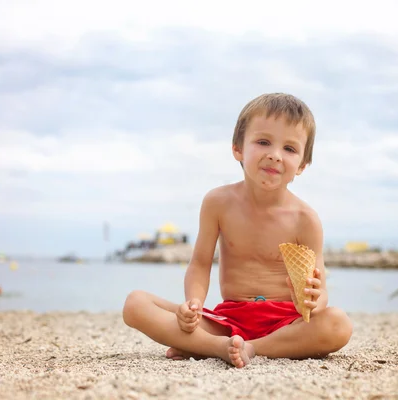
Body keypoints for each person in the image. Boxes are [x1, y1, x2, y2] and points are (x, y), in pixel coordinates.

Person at [122, 93, 353, 368]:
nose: (274, 155)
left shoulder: (306, 219)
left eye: (290, 149)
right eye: (263, 142)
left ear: (302, 165)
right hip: (228, 320)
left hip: (285, 324)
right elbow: (199, 263)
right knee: (135, 304)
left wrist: (314, 302)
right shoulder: (218, 202)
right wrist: (192, 306)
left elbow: (320, 292)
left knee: (338, 324)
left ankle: (242, 347)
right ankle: (218, 345)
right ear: (238, 149)